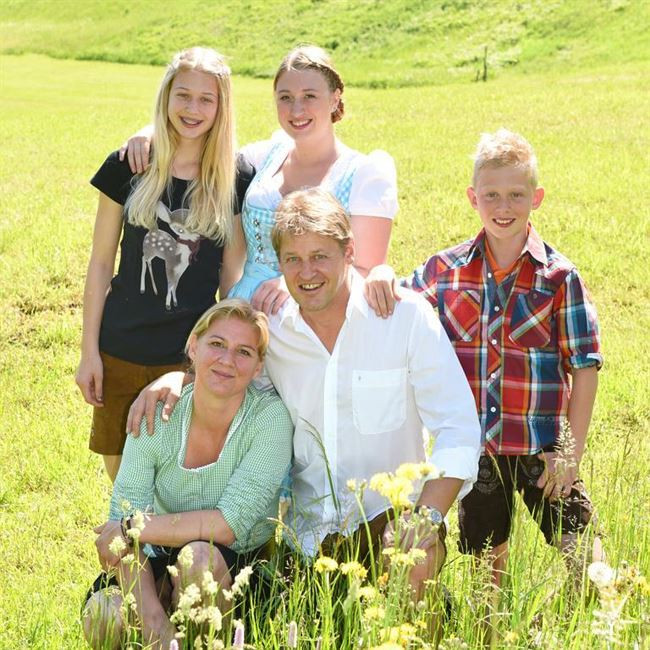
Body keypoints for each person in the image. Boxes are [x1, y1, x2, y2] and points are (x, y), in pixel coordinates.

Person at [127, 188, 481, 615]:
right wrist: (175, 377)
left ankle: (422, 618)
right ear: (278, 264)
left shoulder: (404, 318)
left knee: (409, 562)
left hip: (392, 519)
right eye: (293, 259)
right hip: (307, 541)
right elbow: (229, 364)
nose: (307, 272)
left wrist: (424, 520)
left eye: (320, 256)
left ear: (349, 252)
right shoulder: (273, 331)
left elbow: (458, 429)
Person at [366, 129, 604, 587]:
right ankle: (491, 631)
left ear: (536, 197)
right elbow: (396, 301)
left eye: (516, 194)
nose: (503, 207)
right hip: (477, 454)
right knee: (484, 577)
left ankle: (580, 624)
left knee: (588, 566)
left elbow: (585, 367)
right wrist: (379, 270)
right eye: (491, 195)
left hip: (545, 451)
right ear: (473, 197)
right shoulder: (445, 271)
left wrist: (571, 456)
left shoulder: (559, 277)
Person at [75, 47, 254, 481]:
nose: (192, 109)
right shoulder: (128, 166)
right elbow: (100, 264)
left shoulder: (235, 176)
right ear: (166, 96)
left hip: (188, 357)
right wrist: (88, 353)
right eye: (183, 95)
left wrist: (229, 354)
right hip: (121, 347)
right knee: (123, 485)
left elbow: (230, 278)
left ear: (221, 106)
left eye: (206, 99)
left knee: (176, 478)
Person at [122, 45, 398, 315]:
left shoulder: (363, 173)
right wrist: (150, 133)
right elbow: (204, 142)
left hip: (314, 315)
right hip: (246, 310)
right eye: (285, 97)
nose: (296, 109)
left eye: (309, 96)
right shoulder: (265, 156)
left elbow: (364, 271)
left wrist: (293, 284)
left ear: (335, 98)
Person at [82, 300, 293, 649]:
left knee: (199, 558)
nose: (227, 360)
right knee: (104, 614)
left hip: (234, 568)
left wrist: (135, 527)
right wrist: (156, 627)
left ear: (258, 368)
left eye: (243, 352)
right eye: (216, 344)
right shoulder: (155, 411)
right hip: (154, 562)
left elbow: (227, 525)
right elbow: (120, 535)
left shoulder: (269, 420)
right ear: (193, 347)